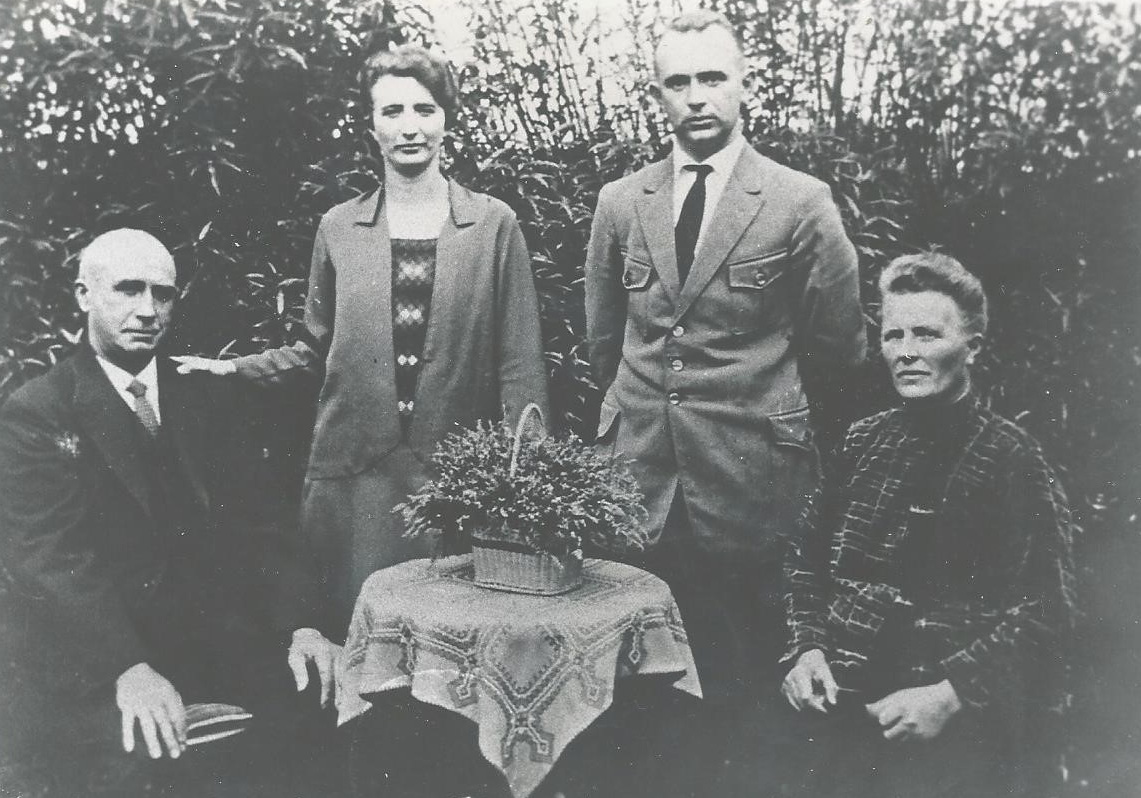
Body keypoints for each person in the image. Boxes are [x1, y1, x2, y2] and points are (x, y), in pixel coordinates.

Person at [583, 9, 865, 791]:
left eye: (713, 78)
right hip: (637, 489)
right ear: (657, 96)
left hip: (751, 488)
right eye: (678, 82)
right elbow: (604, 341)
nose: (697, 98)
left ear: (745, 85)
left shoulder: (799, 202)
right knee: (639, 707)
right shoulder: (619, 202)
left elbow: (838, 351)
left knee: (749, 705)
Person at [174, 45, 550, 629]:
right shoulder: (339, 227)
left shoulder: (492, 225)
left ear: (446, 118)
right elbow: (314, 350)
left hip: (455, 483)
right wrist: (234, 370)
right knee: (359, 651)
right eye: (392, 111)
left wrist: (521, 482)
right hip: (356, 485)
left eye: (424, 109)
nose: (409, 127)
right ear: (370, 125)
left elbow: (520, 364)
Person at [0, 229, 340, 797]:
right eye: (128, 291)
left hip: (216, 640)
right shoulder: (39, 411)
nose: (148, 311)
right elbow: (52, 560)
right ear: (84, 295)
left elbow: (262, 520)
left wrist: (302, 621)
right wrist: (124, 667)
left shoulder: (204, 392)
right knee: (138, 766)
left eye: (163, 294)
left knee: (322, 704)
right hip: (103, 655)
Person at [780, 252, 1077, 797]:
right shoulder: (862, 442)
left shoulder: (1012, 458)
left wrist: (952, 693)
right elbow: (806, 560)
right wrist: (806, 650)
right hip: (843, 705)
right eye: (893, 336)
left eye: (927, 335)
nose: (907, 353)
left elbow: (1047, 609)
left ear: (973, 347)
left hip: (955, 724)